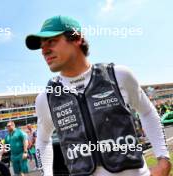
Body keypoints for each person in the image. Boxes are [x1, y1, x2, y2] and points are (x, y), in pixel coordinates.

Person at [25, 15, 171, 176]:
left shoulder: (118, 75)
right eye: (41, 45)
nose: (44, 50)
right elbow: (42, 140)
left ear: (77, 38)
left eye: (51, 41)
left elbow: (147, 112)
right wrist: (46, 173)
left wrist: (163, 158)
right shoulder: (46, 98)